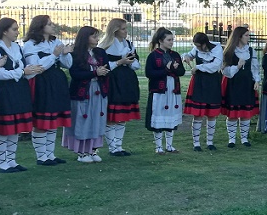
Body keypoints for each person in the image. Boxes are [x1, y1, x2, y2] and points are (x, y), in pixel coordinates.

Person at [23, 15, 72, 165]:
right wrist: (54, 55)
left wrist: (65, 53)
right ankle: (41, 156)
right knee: (42, 120)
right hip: (42, 82)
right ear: (40, 26)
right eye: (49, 24)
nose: (53, 26)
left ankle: (50, 155)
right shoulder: (30, 45)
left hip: (57, 81)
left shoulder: (55, 41)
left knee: (54, 118)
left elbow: (68, 64)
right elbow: (37, 67)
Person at [0, 17, 36, 172]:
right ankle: (2, 163)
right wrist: (22, 72)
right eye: (14, 29)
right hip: (4, 91)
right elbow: (0, 74)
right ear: (4, 31)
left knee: (15, 128)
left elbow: (22, 68)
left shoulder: (17, 47)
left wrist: (29, 71)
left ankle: (12, 160)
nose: (17, 32)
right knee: (3, 128)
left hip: (19, 89)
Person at [65, 26, 109, 163]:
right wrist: (95, 73)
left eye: (97, 36)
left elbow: (107, 67)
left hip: (98, 89)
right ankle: (82, 152)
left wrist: (103, 71)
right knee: (83, 119)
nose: (97, 39)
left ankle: (93, 149)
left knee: (97, 119)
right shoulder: (76, 53)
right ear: (85, 38)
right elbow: (75, 74)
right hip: (82, 91)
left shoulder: (100, 52)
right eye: (94, 36)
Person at [99, 18, 140, 156]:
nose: (126, 31)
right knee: (113, 116)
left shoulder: (128, 44)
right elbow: (103, 67)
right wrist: (120, 61)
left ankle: (119, 146)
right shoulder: (105, 45)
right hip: (114, 80)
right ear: (115, 30)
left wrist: (129, 62)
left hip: (127, 79)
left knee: (123, 116)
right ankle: (113, 147)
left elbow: (136, 65)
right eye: (123, 29)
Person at [145, 28, 185, 154]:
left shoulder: (175, 55)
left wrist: (175, 69)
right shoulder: (153, 55)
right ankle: (158, 147)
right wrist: (166, 70)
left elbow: (182, 72)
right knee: (159, 116)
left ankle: (169, 145)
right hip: (159, 91)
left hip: (173, 90)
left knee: (170, 116)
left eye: (172, 39)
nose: (171, 42)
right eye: (169, 40)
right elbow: (149, 73)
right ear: (161, 41)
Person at [182, 32, 223, 151]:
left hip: (213, 82)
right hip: (199, 83)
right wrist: (186, 57)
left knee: (211, 115)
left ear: (205, 44)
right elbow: (189, 54)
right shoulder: (196, 49)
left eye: (199, 45)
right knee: (198, 115)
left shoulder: (217, 49)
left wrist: (198, 67)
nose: (198, 48)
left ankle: (210, 142)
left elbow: (215, 66)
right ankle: (196, 143)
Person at [221, 26, 260, 148]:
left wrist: (257, 80)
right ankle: (231, 139)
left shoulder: (251, 51)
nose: (248, 37)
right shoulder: (229, 52)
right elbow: (225, 71)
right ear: (239, 37)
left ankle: (244, 138)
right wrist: (237, 66)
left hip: (247, 83)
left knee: (245, 113)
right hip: (234, 84)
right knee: (233, 114)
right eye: (246, 35)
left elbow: (255, 67)